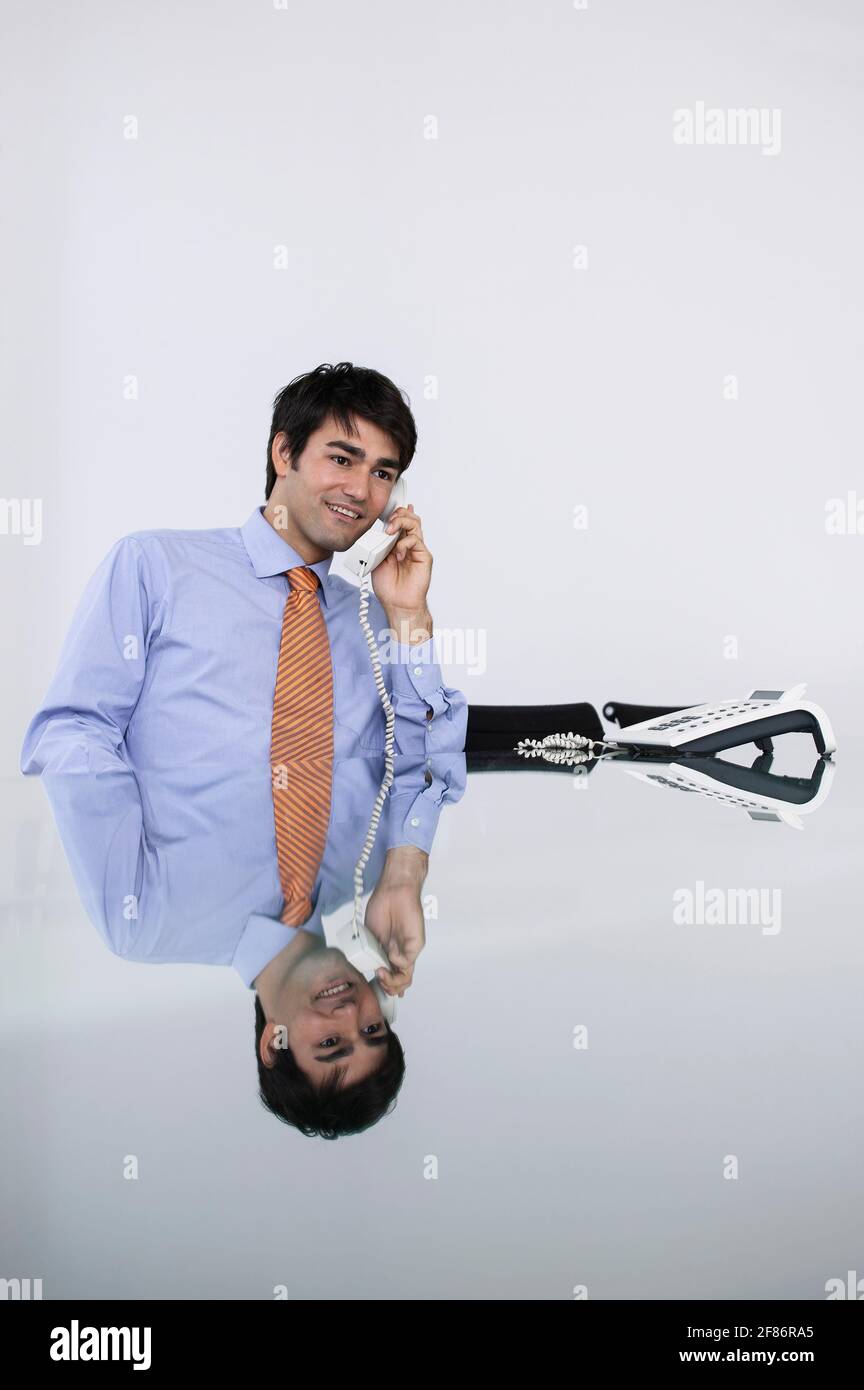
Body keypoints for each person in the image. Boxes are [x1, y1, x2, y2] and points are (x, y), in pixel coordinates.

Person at [19, 362, 604, 1139]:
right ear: (282, 453)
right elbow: (73, 725)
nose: (363, 490)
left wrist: (408, 615)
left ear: (275, 1042)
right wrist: (405, 871)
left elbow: (428, 743)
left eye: (382, 470)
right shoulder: (159, 567)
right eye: (343, 457)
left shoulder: (147, 928)